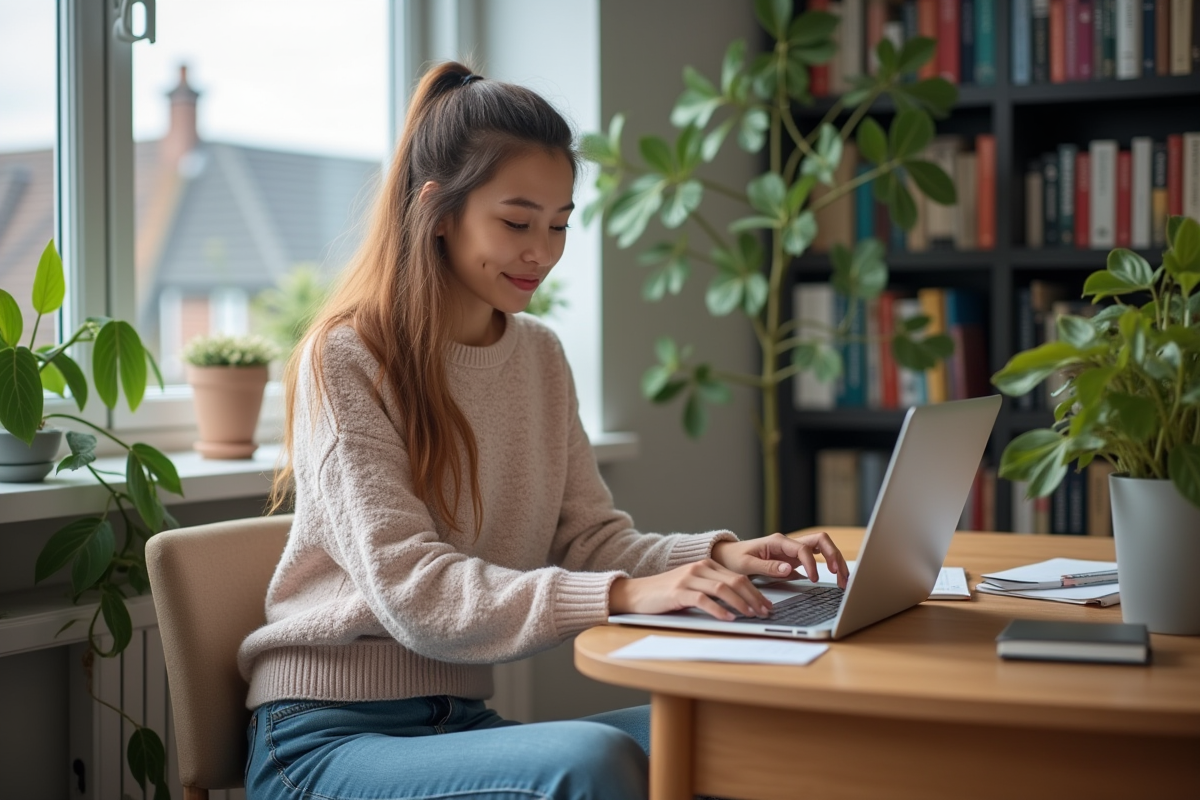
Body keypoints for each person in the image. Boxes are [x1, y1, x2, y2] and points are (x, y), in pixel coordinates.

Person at [238, 61, 848, 800]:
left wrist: (723, 556)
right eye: (517, 222)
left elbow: (590, 538)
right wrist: (626, 595)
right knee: (590, 764)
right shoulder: (346, 357)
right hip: (322, 738)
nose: (543, 252)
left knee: (738, 736)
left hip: (457, 720)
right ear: (437, 212)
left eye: (558, 225)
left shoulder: (539, 356)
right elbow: (414, 591)